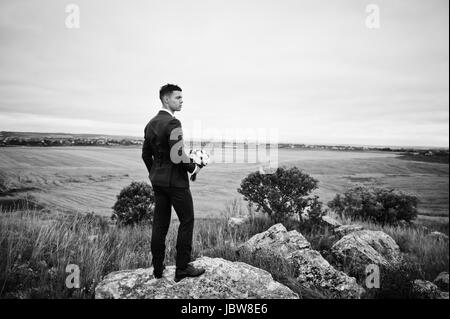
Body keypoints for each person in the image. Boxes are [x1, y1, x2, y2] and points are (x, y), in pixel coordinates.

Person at [142, 83, 205, 282]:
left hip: (158, 182)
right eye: (178, 98)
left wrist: (155, 174)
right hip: (176, 183)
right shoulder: (173, 123)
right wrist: (194, 168)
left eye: (181, 98)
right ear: (166, 99)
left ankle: (158, 270)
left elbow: (145, 155)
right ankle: (182, 269)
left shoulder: (150, 124)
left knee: (160, 224)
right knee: (187, 221)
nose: (181, 101)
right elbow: (178, 154)